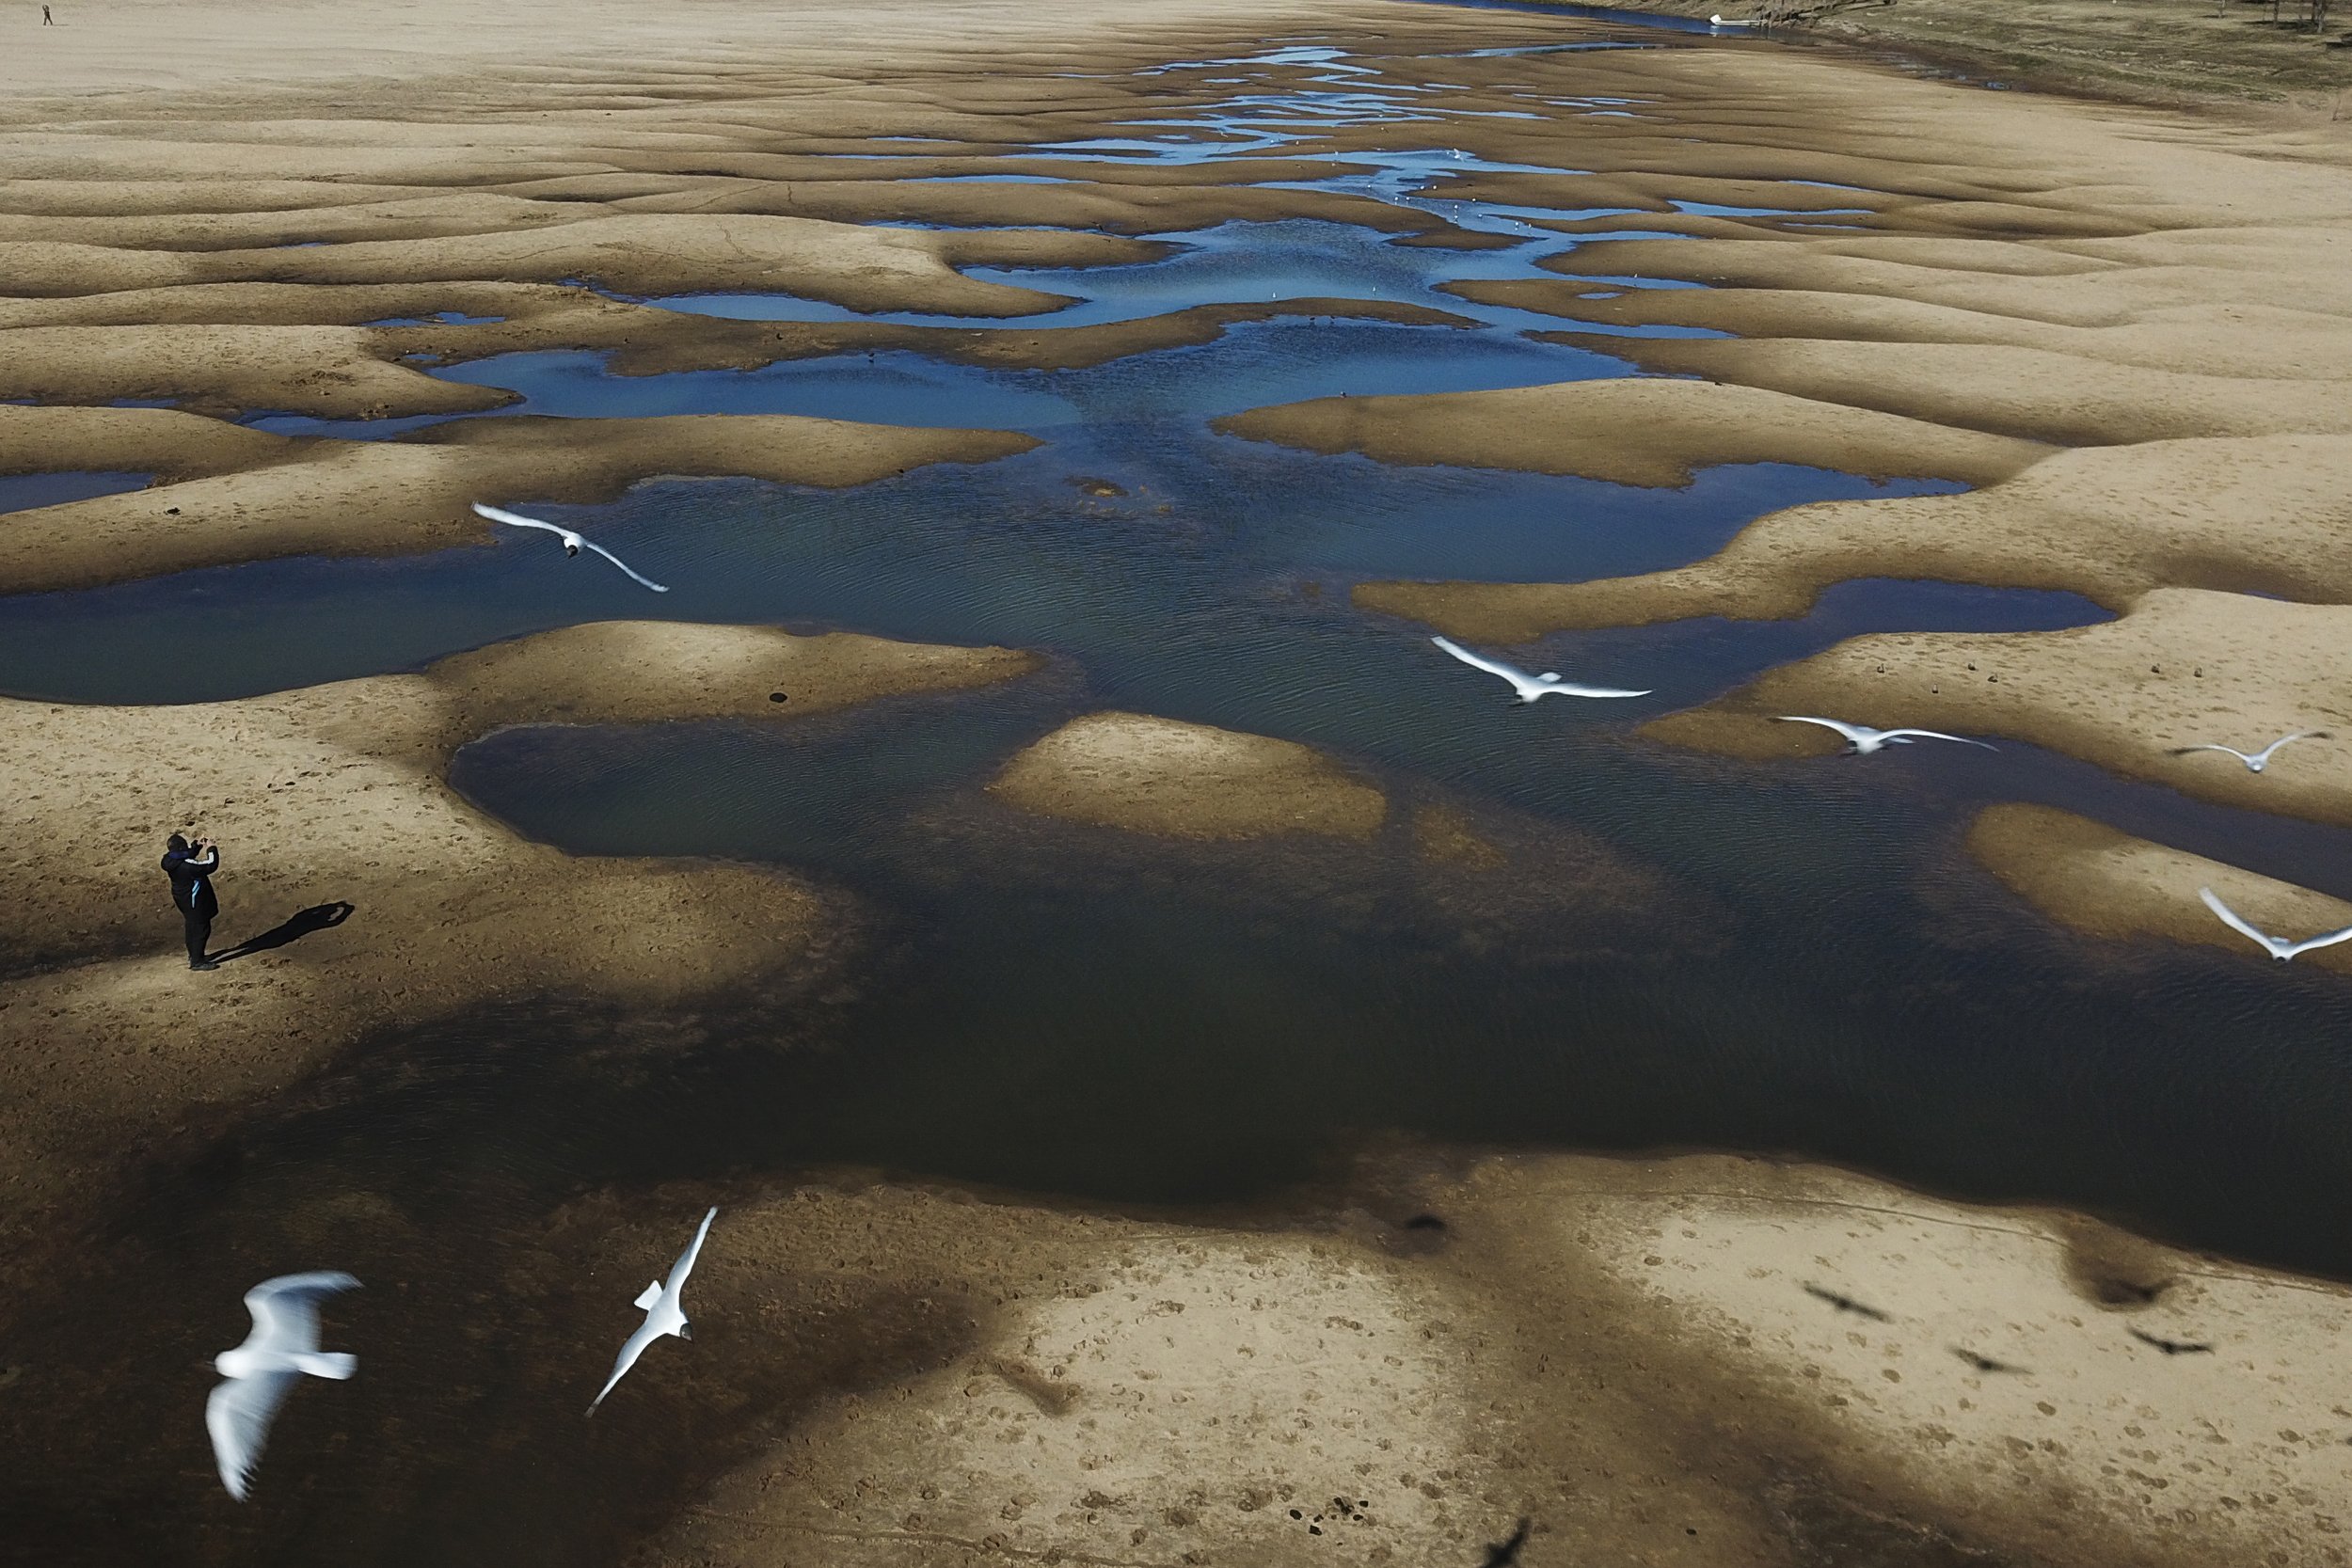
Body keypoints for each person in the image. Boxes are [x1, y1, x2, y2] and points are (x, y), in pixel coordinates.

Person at [163, 832, 222, 971]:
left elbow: (185, 855)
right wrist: (211, 849)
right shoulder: (188, 867)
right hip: (195, 901)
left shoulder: (169, 860)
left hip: (183, 899)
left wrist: (197, 845)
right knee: (201, 929)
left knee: (191, 927)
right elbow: (210, 865)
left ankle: (195, 955)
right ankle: (197, 961)